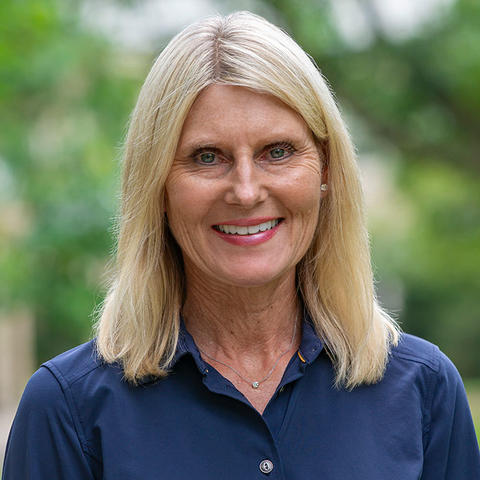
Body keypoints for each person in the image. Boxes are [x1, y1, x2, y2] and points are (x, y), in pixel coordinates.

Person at [3, 11, 479, 480]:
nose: (246, 191)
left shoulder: (425, 390)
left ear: (327, 172)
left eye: (278, 152)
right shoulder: (67, 410)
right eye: (206, 157)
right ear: (157, 187)